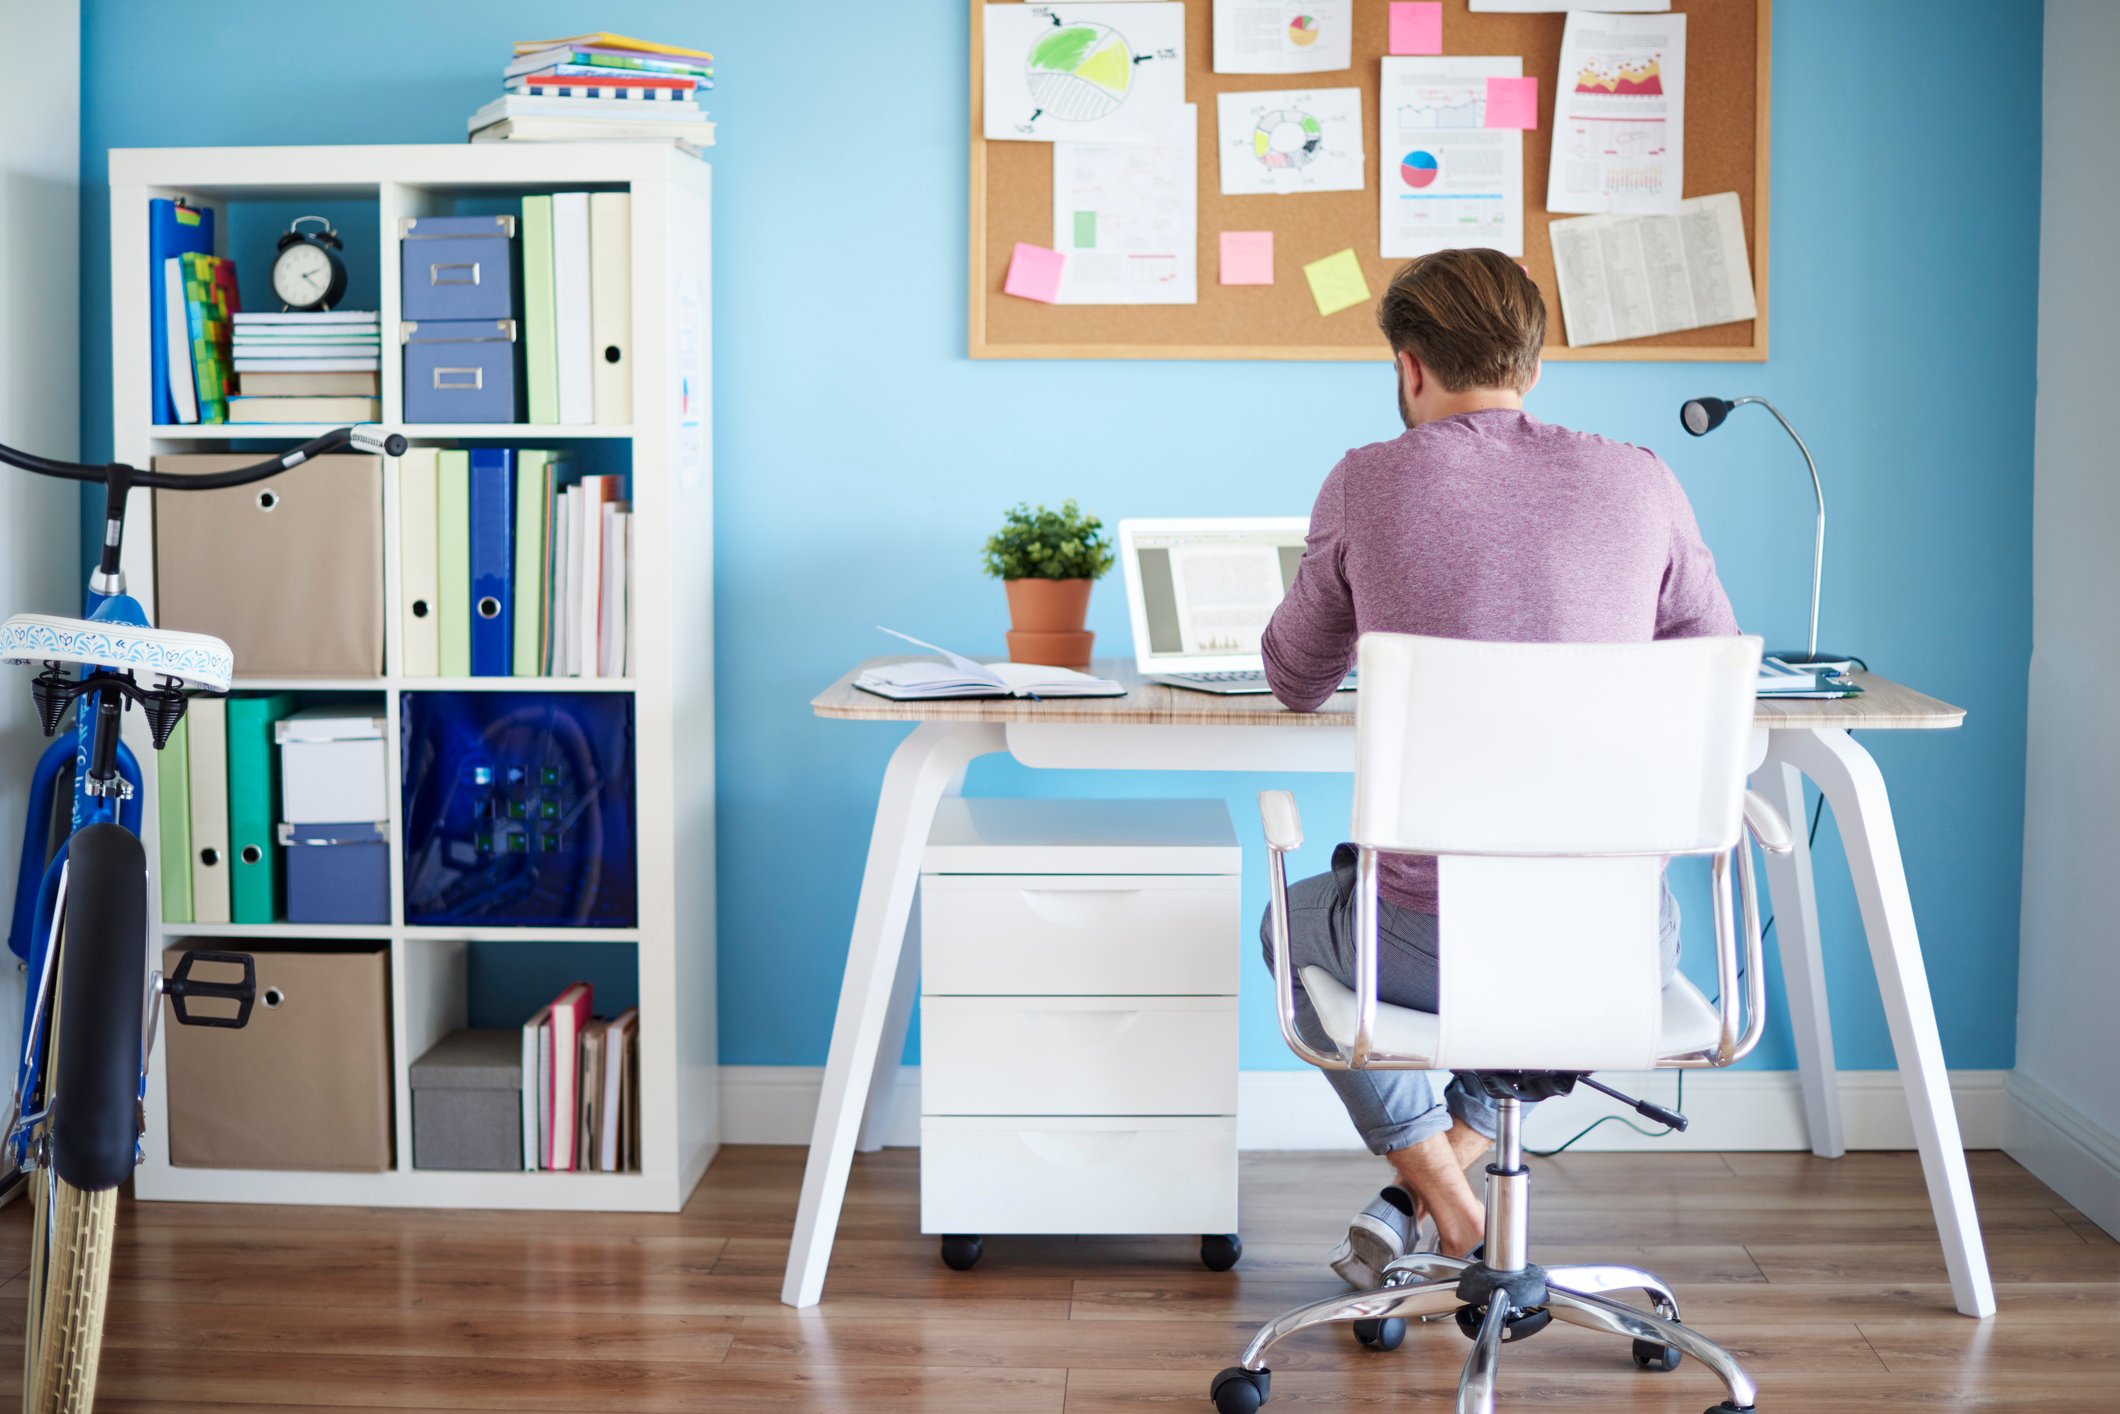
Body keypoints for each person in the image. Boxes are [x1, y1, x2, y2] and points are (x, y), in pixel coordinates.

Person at [1258, 247, 1739, 1284]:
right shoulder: (1643, 479)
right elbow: (1710, 675)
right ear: (1531, 363)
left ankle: (1439, 1200)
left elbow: (1293, 677)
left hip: (1421, 948)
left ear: (1409, 366)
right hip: (1618, 945)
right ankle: (1442, 1199)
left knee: (1284, 920)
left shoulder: (1364, 481)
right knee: (1544, 970)